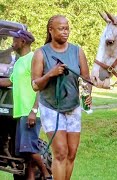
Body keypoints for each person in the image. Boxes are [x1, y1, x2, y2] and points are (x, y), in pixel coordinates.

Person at [31, 15, 92, 180]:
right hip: (51, 107)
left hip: (73, 107)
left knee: (71, 154)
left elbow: (86, 79)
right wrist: (50, 74)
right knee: (60, 152)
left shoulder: (77, 51)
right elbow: (35, 85)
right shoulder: (41, 53)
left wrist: (88, 95)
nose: (65, 32)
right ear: (51, 30)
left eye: (67, 28)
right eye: (61, 28)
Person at [0, 29, 51, 179]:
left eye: (15, 40)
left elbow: (41, 86)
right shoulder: (18, 62)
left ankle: (47, 173)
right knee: (24, 151)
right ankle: (30, 177)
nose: (12, 43)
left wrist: (34, 111)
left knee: (30, 149)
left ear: (23, 42)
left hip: (30, 112)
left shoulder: (33, 59)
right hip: (21, 112)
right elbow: (10, 81)